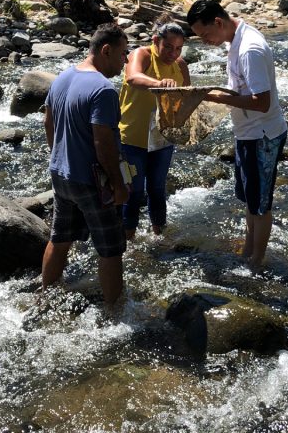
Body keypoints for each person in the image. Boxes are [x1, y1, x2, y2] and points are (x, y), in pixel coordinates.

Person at [186, 0, 287, 268]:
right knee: (251, 200)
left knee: (260, 205)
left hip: (261, 136)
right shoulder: (234, 40)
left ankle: (257, 262)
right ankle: (248, 251)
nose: (204, 41)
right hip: (247, 133)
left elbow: (261, 102)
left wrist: (216, 97)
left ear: (218, 22)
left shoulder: (249, 49)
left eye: (205, 35)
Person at [41, 23, 130, 307]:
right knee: (111, 249)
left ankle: (45, 296)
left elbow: (48, 122)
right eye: (123, 54)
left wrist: (58, 156)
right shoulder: (103, 90)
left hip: (61, 174)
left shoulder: (62, 77)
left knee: (60, 239)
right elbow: (103, 142)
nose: (125, 61)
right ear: (106, 50)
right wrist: (118, 185)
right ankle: (115, 312)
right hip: (91, 181)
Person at [118, 18, 191, 240]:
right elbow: (133, 77)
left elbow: (187, 97)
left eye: (178, 48)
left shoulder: (180, 65)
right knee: (133, 192)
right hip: (132, 138)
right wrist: (159, 84)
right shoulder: (142, 54)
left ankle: (159, 237)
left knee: (157, 189)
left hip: (162, 138)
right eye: (168, 46)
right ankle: (127, 241)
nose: (173, 53)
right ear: (156, 40)